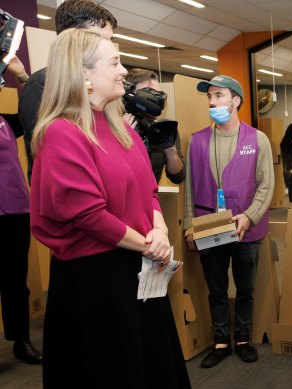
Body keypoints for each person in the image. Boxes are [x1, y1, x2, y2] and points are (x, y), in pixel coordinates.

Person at [29, 29, 190, 388]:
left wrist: (160, 231)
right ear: (84, 73)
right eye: (115, 62)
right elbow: (87, 214)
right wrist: (151, 244)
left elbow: (148, 189)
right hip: (97, 280)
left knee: (149, 364)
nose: (122, 71)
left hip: (139, 265)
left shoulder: (121, 126)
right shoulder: (62, 132)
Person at [183, 75, 274, 368]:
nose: (212, 102)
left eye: (219, 96)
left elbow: (266, 185)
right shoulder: (197, 141)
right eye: (210, 97)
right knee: (217, 289)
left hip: (246, 227)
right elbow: (190, 187)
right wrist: (189, 225)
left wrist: (250, 215)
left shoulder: (257, 139)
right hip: (210, 227)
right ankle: (221, 341)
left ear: (235, 101)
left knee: (245, 288)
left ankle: (244, 339)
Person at [19, 0, 117, 182]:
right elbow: (53, 152)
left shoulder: (102, 85)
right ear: (72, 37)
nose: (109, 45)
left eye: (110, 39)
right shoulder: (42, 85)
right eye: (101, 39)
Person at [0, 56, 43, 365]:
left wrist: (23, 76)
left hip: (14, 209)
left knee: (16, 279)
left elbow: (36, 112)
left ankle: (21, 340)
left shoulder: (4, 120)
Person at [124, 68, 185, 184]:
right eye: (149, 91)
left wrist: (171, 150)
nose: (155, 98)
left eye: (158, 92)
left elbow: (178, 177)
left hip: (149, 199)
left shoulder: (163, 129)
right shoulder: (114, 124)